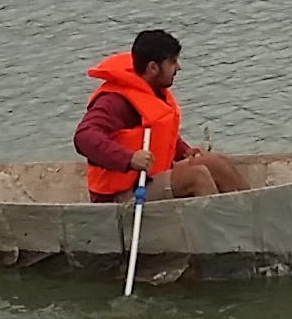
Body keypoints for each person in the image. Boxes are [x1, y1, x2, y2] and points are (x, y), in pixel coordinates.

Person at [78, 29, 249, 202]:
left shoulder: (153, 89)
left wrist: (183, 151)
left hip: (151, 177)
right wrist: (129, 159)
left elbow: (156, 131)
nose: (178, 68)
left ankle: (253, 212)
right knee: (197, 176)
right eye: (173, 62)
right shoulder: (114, 101)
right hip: (120, 195)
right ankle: (218, 219)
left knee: (217, 163)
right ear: (153, 68)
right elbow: (84, 137)